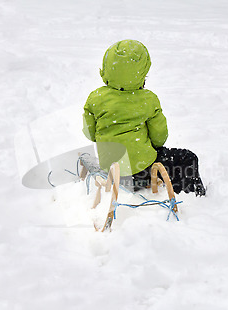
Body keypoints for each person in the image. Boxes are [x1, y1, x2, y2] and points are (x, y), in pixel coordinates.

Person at [82, 39, 206, 196]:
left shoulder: (96, 98)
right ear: (142, 72)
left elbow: (90, 134)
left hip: (112, 171)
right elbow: (160, 138)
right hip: (142, 172)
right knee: (187, 158)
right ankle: (192, 197)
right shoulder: (148, 99)